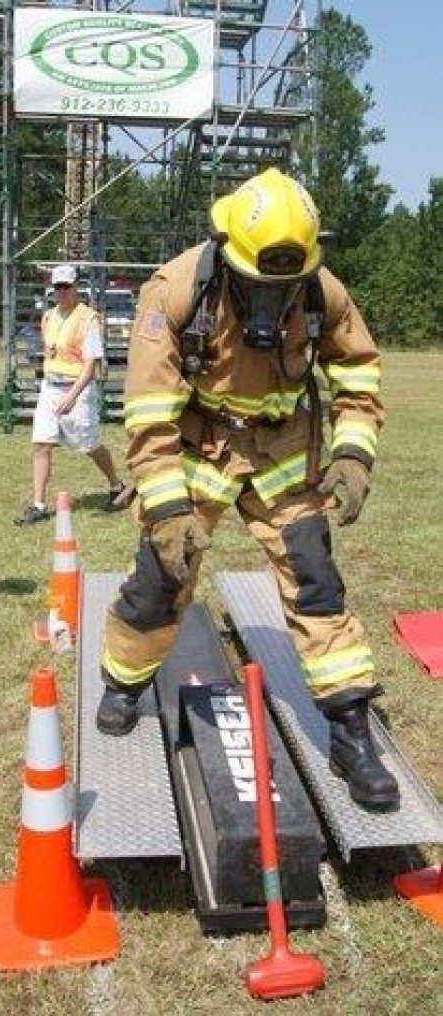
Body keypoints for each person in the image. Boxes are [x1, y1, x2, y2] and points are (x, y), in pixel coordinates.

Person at [96, 167, 399, 812]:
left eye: (284, 286)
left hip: (284, 450)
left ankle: (350, 732)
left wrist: (351, 454)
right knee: (162, 576)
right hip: (199, 445)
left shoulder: (321, 292)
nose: (273, 300)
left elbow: (358, 374)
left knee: (316, 579)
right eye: (261, 285)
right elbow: (149, 412)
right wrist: (168, 504)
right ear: (228, 254)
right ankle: (123, 681)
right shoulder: (175, 290)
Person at [15, 263, 127, 524]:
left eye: (66, 286)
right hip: (50, 389)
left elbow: (91, 365)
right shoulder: (48, 316)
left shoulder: (87, 318)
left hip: (77, 390)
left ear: (76, 287)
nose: (62, 291)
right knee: (41, 443)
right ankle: (39, 505)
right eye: (58, 287)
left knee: (90, 445)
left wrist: (73, 395)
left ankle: (116, 484)